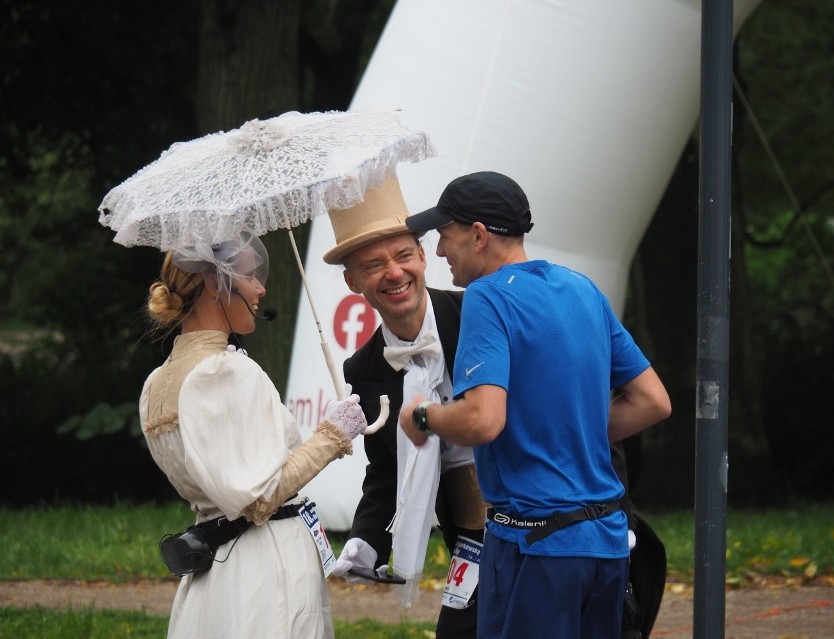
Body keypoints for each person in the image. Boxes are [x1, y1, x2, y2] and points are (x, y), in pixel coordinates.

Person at [398, 171, 672, 639]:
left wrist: (423, 415)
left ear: (478, 235)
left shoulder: (487, 296)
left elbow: (483, 419)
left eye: (446, 236)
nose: (440, 251)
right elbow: (653, 402)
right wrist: (570, 429)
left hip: (537, 546)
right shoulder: (582, 289)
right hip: (606, 542)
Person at [139, 232, 368, 638]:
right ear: (215, 283)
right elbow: (260, 499)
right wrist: (333, 434)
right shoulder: (224, 372)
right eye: (249, 276)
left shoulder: (157, 383)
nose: (261, 287)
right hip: (264, 564)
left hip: (216, 566)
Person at [322, 179, 488, 639]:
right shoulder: (365, 367)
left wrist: (611, 514)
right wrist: (365, 539)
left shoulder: (481, 312)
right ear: (353, 282)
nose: (393, 273)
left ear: (422, 255)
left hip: (542, 523)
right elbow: (386, 469)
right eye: (373, 265)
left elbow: (564, 409)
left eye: (402, 256)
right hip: (471, 535)